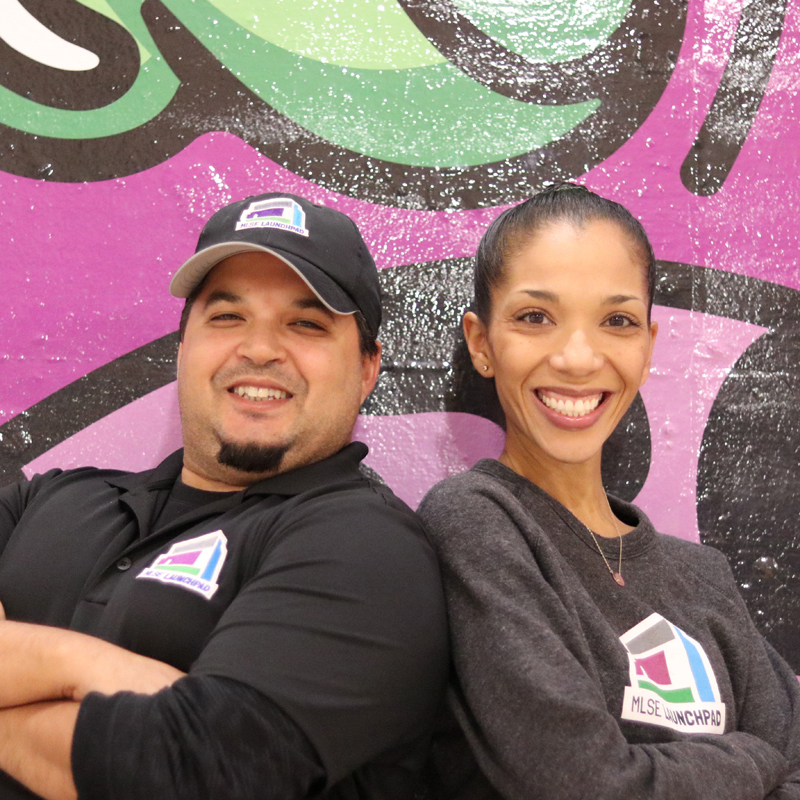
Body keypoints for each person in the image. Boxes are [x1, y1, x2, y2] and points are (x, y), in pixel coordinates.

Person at [0, 192, 448, 800]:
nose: (260, 349)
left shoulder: (369, 550)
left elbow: (188, 773)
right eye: (228, 317)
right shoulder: (47, 500)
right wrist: (84, 667)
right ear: (183, 347)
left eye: (306, 323)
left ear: (368, 369)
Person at [418, 183, 800, 800]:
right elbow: (584, 782)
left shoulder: (704, 575)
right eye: (535, 317)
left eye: (616, 321)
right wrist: (755, 759)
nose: (576, 357)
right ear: (482, 343)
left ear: (647, 349)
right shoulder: (476, 523)